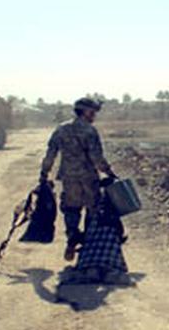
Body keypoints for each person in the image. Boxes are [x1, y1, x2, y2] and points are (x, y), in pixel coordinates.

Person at [40, 97, 118, 261]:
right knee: (92, 209)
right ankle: (88, 246)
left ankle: (72, 239)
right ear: (84, 111)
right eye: (92, 112)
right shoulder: (89, 131)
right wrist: (109, 172)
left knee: (71, 209)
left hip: (69, 178)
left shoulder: (61, 129)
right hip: (89, 178)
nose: (94, 116)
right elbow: (97, 157)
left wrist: (44, 174)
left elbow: (50, 154)